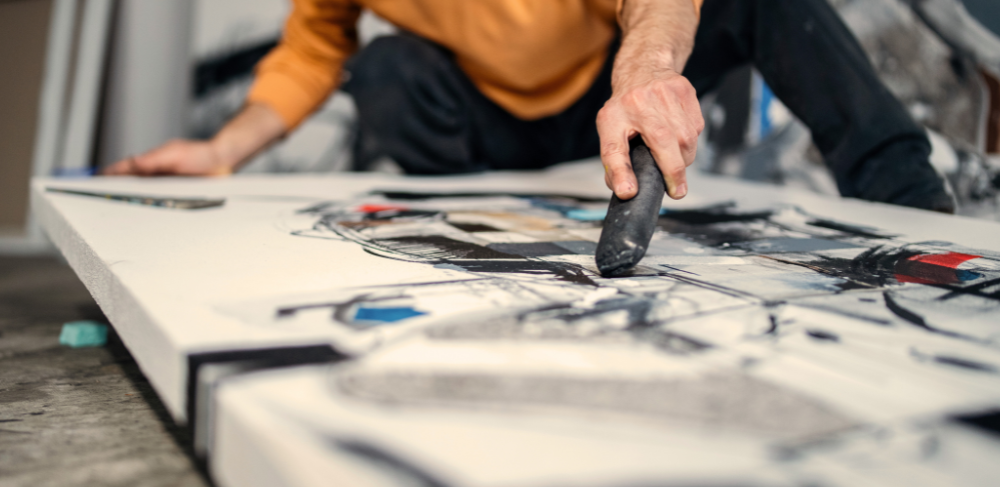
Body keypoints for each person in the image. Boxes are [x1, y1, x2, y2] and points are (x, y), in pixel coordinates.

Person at [105, 0, 954, 213]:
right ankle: (489, 215)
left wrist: (646, 70)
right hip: (487, 128)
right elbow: (316, 47)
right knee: (386, 67)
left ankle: (905, 196)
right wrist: (222, 151)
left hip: (602, 82)